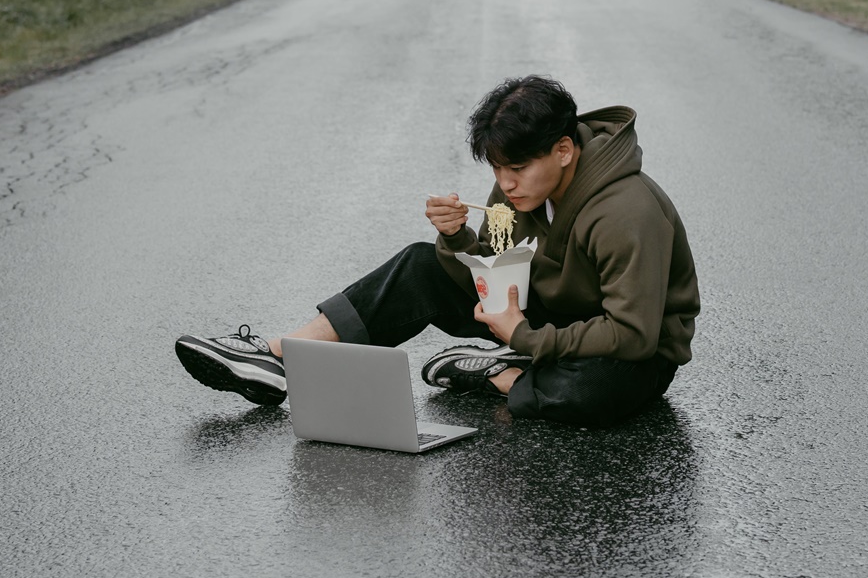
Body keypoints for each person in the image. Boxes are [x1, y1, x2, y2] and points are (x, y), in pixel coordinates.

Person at [173, 75, 700, 427]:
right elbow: (494, 265)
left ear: (564, 150)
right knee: (420, 265)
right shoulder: (519, 191)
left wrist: (523, 335)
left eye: (516, 169)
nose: (505, 184)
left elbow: (632, 335)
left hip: (633, 351)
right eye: (495, 169)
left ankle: (498, 372)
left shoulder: (626, 211)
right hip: (543, 319)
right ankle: (281, 357)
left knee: (598, 394)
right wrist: (455, 238)